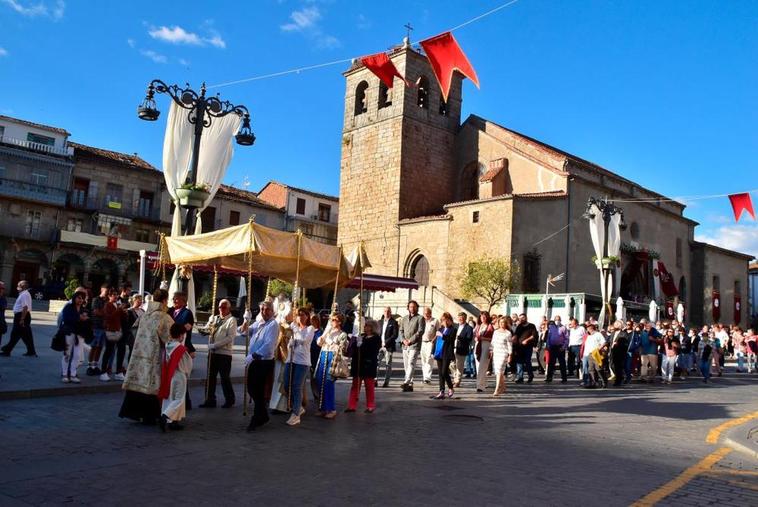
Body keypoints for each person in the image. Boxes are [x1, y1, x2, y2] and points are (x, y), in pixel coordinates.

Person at [119, 289, 173, 425]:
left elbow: (134, 329)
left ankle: (134, 413)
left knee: (139, 381)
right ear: (165, 300)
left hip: (139, 353)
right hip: (153, 356)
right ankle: (149, 415)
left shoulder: (144, 315)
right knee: (150, 382)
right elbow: (170, 338)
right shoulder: (164, 317)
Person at [244, 301, 279, 432]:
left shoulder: (273, 325)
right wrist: (245, 319)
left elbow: (269, 346)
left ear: (271, 311)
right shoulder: (259, 322)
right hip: (255, 361)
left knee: (257, 390)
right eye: (262, 310)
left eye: (266, 310)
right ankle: (262, 415)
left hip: (263, 361)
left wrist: (253, 356)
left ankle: (257, 417)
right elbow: (244, 332)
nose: (264, 312)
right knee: (252, 389)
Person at [200, 299, 237, 409]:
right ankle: (210, 399)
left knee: (224, 377)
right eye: (220, 307)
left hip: (224, 354)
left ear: (229, 309)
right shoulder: (214, 318)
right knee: (210, 377)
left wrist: (215, 345)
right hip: (213, 353)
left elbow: (230, 337)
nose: (221, 309)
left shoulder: (231, 320)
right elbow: (207, 330)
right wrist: (203, 330)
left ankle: (230, 399)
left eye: (224, 307)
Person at [282, 308, 315, 426]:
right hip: (291, 359)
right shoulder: (293, 327)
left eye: (303, 315)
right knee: (286, 384)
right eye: (298, 315)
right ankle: (298, 406)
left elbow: (304, 341)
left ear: (307, 316)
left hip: (302, 362)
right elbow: (289, 341)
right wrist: (290, 340)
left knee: (296, 387)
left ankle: (296, 415)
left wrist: (296, 331)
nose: (300, 317)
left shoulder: (310, 329)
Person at [159, 323, 194, 432]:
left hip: (170, 375)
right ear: (181, 335)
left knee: (170, 398)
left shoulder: (167, 345)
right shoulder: (180, 348)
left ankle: (174, 422)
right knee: (179, 399)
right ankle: (165, 416)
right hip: (179, 375)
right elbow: (187, 364)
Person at [314, 313, 348, 419]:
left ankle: (331, 409)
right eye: (331, 319)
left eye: (334, 320)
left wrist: (332, 342)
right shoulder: (328, 331)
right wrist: (325, 334)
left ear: (340, 322)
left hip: (333, 358)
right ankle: (322, 408)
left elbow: (343, 349)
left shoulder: (342, 334)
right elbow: (319, 343)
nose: (332, 321)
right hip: (323, 355)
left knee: (328, 383)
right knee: (320, 382)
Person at [346, 319, 381, 413]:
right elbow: (354, 351)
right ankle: (351, 405)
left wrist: (362, 345)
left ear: (372, 327)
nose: (365, 327)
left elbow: (373, 351)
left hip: (368, 365)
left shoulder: (376, 338)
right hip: (358, 365)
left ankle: (370, 406)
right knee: (355, 386)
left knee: (369, 387)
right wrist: (355, 344)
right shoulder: (361, 337)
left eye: (367, 326)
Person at [0, 280, 37, 357]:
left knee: (15, 334)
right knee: (26, 335)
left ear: (22, 286)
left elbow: (25, 307)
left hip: (22, 316)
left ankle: (7, 350)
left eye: (18, 285)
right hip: (23, 316)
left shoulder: (24, 295)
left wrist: (22, 319)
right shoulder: (24, 294)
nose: (17, 286)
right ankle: (31, 351)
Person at [59, 290, 89, 383]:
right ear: (74, 298)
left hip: (79, 334)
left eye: (82, 298)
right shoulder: (69, 307)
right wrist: (79, 318)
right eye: (78, 298)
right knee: (67, 353)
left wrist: (86, 319)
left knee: (77, 355)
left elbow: (88, 320)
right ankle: (64, 374)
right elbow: (66, 318)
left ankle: (73, 374)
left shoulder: (83, 309)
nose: (80, 300)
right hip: (69, 333)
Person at [100, 290, 126, 382]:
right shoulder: (108, 305)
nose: (116, 296)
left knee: (121, 350)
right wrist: (118, 310)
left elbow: (122, 318)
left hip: (118, 330)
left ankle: (119, 372)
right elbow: (109, 317)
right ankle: (103, 372)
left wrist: (123, 311)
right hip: (110, 330)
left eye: (116, 295)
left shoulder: (117, 305)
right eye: (114, 295)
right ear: (109, 296)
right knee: (108, 351)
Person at [399, 300, 425, 392]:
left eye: (414, 306)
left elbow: (420, 331)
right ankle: (409, 385)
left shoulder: (420, 318)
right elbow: (401, 330)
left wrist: (410, 340)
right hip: (405, 345)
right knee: (406, 365)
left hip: (414, 344)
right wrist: (403, 340)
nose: (412, 308)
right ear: (408, 308)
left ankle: (406, 381)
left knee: (411, 363)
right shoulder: (404, 318)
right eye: (410, 307)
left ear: (417, 307)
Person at [85, 284, 109, 374]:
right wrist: (106, 311)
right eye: (106, 291)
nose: (107, 294)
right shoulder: (96, 299)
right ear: (101, 290)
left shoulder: (107, 300)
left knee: (100, 347)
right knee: (94, 347)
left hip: (104, 327)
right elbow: (96, 312)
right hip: (96, 326)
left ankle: (95, 365)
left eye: (108, 292)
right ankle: (89, 366)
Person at [431, 312, 455, 400]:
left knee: (444, 371)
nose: (443, 322)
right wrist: (433, 352)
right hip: (439, 353)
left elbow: (450, 340)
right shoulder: (440, 329)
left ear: (449, 320)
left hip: (447, 353)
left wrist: (442, 335)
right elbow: (436, 341)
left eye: (445, 320)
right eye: (442, 320)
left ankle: (451, 387)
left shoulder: (452, 329)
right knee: (440, 373)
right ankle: (441, 391)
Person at [377, 307, 398, 388]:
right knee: (376, 363)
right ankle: (375, 380)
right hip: (379, 346)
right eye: (385, 311)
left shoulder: (393, 322)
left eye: (388, 311)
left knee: (388, 365)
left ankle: (386, 382)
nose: (386, 313)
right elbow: (377, 333)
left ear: (390, 312)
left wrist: (386, 342)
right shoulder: (380, 322)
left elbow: (395, 335)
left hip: (388, 347)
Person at [491, 316, 513, 396]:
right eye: (500, 322)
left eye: (503, 322)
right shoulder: (495, 332)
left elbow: (510, 345)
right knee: (498, 372)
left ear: (506, 323)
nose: (501, 324)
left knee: (500, 369)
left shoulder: (508, 333)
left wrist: (510, 355)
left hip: (504, 353)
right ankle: (503, 386)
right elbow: (492, 342)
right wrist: (491, 351)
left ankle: (497, 389)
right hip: (496, 353)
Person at [514, 314, 537, 383]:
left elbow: (534, 335)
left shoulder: (531, 326)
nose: (521, 319)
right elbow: (516, 335)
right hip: (519, 347)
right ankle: (520, 377)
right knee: (519, 362)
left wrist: (526, 340)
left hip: (528, 347)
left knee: (527, 361)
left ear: (526, 318)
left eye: (523, 318)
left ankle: (530, 376)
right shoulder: (519, 326)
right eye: (520, 318)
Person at [545, 315, 568, 383]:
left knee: (562, 363)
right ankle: (549, 378)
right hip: (552, 347)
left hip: (560, 347)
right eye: (556, 319)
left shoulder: (563, 328)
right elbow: (548, 338)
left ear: (560, 320)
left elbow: (566, 338)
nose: (557, 321)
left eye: (558, 319)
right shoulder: (551, 327)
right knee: (551, 363)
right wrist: (548, 346)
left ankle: (564, 378)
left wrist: (564, 347)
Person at [475, 311, 494, 392]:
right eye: (482, 317)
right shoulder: (479, 326)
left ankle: (480, 385)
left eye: (485, 317)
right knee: (478, 366)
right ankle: (483, 383)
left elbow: (493, 339)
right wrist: (476, 338)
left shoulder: (490, 327)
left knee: (483, 366)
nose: (483, 318)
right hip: (478, 346)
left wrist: (484, 338)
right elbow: (476, 335)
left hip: (486, 346)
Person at [453, 312, 473, 387]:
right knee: (452, 365)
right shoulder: (455, 326)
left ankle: (457, 381)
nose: (460, 319)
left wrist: (460, 338)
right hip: (453, 348)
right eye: (459, 317)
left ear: (465, 318)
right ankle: (455, 378)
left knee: (459, 366)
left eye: (462, 317)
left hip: (462, 349)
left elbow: (469, 339)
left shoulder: (469, 328)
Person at [583, 323, 607, 388]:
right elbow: (586, 346)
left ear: (591, 328)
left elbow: (604, 342)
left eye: (588, 328)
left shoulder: (598, 334)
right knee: (591, 369)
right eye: (587, 328)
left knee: (598, 368)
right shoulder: (588, 336)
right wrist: (585, 355)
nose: (587, 329)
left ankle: (604, 381)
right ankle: (594, 382)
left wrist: (599, 349)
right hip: (589, 354)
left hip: (596, 354)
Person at [419, 307, 438, 385]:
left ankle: (428, 378)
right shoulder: (421, 321)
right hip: (422, 342)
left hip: (430, 342)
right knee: (423, 360)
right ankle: (424, 377)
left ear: (430, 313)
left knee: (429, 359)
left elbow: (438, 331)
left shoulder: (435, 321)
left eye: (427, 313)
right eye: (425, 313)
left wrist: (434, 340)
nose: (426, 314)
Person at [608, 320, 629, 386]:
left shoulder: (624, 333)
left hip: (619, 352)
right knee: (611, 365)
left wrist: (618, 343)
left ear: (620, 325)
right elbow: (609, 341)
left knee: (618, 366)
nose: (615, 325)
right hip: (612, 351)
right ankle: (620, 376)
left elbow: (626, 343)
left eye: (616, 324)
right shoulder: (613, 333)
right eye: (614, 324)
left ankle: (618, 380)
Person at [309, 313, 323, 404]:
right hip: (309, 356)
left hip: (317, 355)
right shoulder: (309, 331)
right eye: (312, 320)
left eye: (315, 320)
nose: (313, 322)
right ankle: (315, 394)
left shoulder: (320, 332)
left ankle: (319, 395)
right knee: (312, 378)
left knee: (317, 376)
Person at [0, 282, 7, 348]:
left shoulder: (3, 298)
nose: (3, 290)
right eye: (2, 288)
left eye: (3, 288)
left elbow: (3, 306)